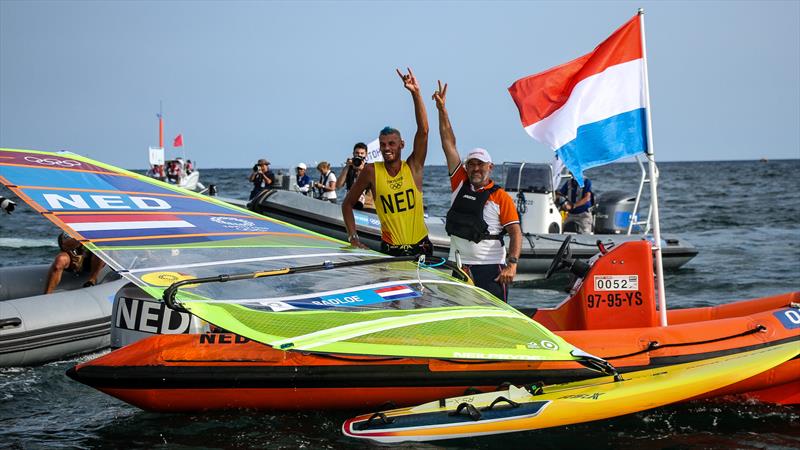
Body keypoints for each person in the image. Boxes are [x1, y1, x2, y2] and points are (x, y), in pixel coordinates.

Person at [432, 81, 521, 301]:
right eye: (471, 164)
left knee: (492, 322)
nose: (476, 168)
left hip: (490, 269)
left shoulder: (500, 197)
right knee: (461, 321)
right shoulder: (460, 184)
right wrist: (442, 110)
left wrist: (512, 266)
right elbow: (448, 144)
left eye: (481, 164)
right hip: (460, 266)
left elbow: (515, 233)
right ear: (466, 166)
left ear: (490, 167)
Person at [342, 68, 431, 257]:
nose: (387, 148)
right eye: (383, 144)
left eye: (391, 143)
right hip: (391, 251)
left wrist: (416, 94)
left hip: (421, 249)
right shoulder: (372, 171)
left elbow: (423, 131)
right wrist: (353, 238)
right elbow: (347, 204)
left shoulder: (413, 166)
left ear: (402, 145)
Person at [336, 142, 375, 211]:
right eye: (357, 153)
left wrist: (361, 170)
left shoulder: (369, 168)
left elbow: (373, 185)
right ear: (353, 154)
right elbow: (338, 185)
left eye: (362, 153)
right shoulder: (349, 168)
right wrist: (347, 167)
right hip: (351, 204)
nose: (359, 155)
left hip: (367, 206)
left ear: (366, 155)